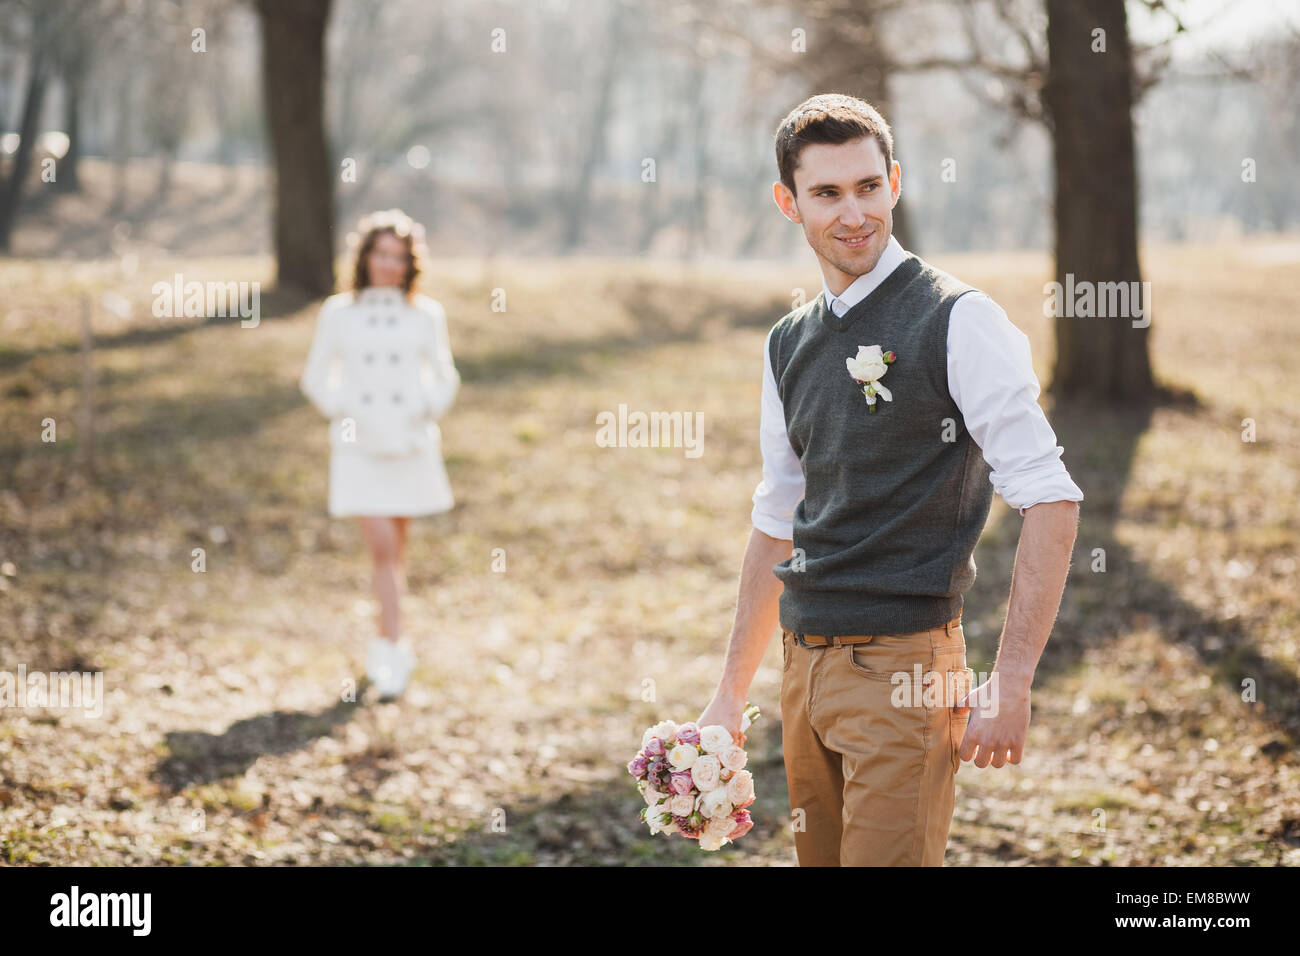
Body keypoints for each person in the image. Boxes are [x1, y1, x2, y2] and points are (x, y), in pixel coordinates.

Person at [697, 94, 1084, 865]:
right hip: (802, 672)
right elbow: (778, 517)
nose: (854, 213)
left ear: (896, 182)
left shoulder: (957, 320)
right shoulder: (786, 344)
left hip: (904, 672)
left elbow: (1049, 495)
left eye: (869, 187)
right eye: (827, 193)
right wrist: (729, 691)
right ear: (788, 203)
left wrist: (1010, 679)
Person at [299, 209, 460, 699]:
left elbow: (446, 375)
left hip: (409, 445)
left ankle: (391, 638)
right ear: (365, 256)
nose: (388, 265)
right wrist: (344, 409)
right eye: (380, 254)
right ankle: (390, 646)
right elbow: (315, 377)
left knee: (395, 554)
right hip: (359, 447)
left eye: (398, 257)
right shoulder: (338, 312)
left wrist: (422, 409)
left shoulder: (425, 314)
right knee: (383, 550)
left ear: (410, 264)